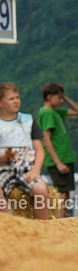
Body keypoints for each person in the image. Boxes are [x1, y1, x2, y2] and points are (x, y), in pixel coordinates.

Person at [0, 82, 51, 219]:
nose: (16, 101)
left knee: (41, 188)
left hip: (26, 168)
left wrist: (36, 169)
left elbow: (39, 150)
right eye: (11, 98)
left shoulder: (29, 120)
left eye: (17, 97)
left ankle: (45, 226)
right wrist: (5, 156)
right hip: (3, 169)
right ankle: (12, 223)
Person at [37, 82, 78, 215]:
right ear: (49, 97)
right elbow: (46, 138)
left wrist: (64, 97)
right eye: (59, 98)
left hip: (65, 157)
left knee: (65, 192)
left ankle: (63, 220)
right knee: (62, 193)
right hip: (58, 159)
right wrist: (58, 162)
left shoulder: (56, 112)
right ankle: (60, 222)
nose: (61, 101)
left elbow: (77, 110)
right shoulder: (47, 113)